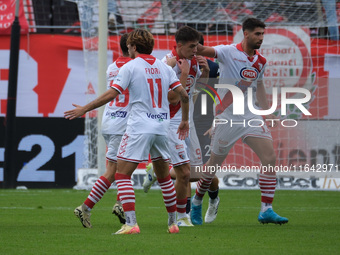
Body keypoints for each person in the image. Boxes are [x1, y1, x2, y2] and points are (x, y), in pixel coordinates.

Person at [65, 28, 190, 234]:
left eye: (130, 46)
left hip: (139, 128)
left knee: (121, 174)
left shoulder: (130, 66)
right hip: (161, 127)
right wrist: (184, 120)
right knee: (164, 177)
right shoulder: (165, 67)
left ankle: (131, 224)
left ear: (132, 47)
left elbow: (112, 94)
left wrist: (84, 109)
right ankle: (173, 223)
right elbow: (183, 96)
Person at [191, 17, 289, 225]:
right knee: (212, 167)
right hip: (226, 118)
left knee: (270, 158)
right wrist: (189, 40)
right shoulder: (227, 52)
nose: (261, 38)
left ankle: (266, 210)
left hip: (250, 117)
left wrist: (267, 111)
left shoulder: (261, 61)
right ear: (246, 34)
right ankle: (197, 201)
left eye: (263, 34)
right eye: (257, 34)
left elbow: (259, 86)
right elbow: (202, 50)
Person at [143, 26, 220, 225]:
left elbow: (196, 89)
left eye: (198, 46)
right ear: (180, 45)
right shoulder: (166, 64)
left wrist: (203, 71)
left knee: (196, 173)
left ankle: (158, 171)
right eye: (193, 46)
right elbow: (170, 99)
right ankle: (182, 216)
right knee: (185, 173)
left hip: (188, 119)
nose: (197, 50)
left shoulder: (194, 61)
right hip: (170, 121)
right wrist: (183, 75)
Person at [73, 34, 131, 228]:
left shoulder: (112, 67)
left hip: (111, 120)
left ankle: (120, 204)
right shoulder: (133, 67)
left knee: (123, 168)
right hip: (123, 124)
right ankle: (87, 207)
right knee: (114, 171)